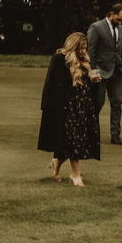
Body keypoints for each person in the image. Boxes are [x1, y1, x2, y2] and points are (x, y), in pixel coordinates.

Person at [37, 31, 101, 186]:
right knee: (74, 140)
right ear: (73, 45)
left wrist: (93, 80)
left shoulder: (84, 61)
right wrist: (49, 106)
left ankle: (57, 161)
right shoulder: (60, 59)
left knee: (81, 140)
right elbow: (51, 84)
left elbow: (84, 84)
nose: (84, 51)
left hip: (83, 106)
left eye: (85, 48)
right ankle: (75, 174)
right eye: (81, 48)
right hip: (68, 106)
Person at [86, 2, 122, 146]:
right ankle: (90, 133)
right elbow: (90, 51)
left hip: (117, 72)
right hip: (100, 71)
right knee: (97, 103)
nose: (120, 22)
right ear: (111, 14)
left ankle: (115, 134)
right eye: (118, 19)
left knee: (117, 103)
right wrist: (92, 71)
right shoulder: (96, 27)